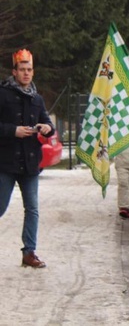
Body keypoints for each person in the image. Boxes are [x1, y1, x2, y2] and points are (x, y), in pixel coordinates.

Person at [0, 49, 54, 269]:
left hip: (31, 163)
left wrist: (47, 128)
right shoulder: (2, 94)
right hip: (6, 162)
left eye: (29, 70)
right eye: (22, 70)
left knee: (32, 209)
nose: (26, 73)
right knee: (0, 207)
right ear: (14, 72)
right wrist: (13, 131)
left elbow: (48, 125)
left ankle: (29, 252)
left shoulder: (37, 98)